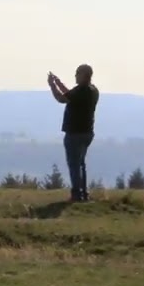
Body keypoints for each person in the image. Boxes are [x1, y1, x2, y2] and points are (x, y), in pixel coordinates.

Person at [47, 64, 100, 202]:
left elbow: (61, 98)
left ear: (83, 75)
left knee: (74, 164)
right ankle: (83, 193)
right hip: (87, 133)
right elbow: (70, 95)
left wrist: (52, 86)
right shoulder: (93, 90)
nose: (75, 76)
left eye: (77, 73)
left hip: (75, 133)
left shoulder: (80, 90)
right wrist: (59, 83)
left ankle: (76, 194)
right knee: (80, 164)